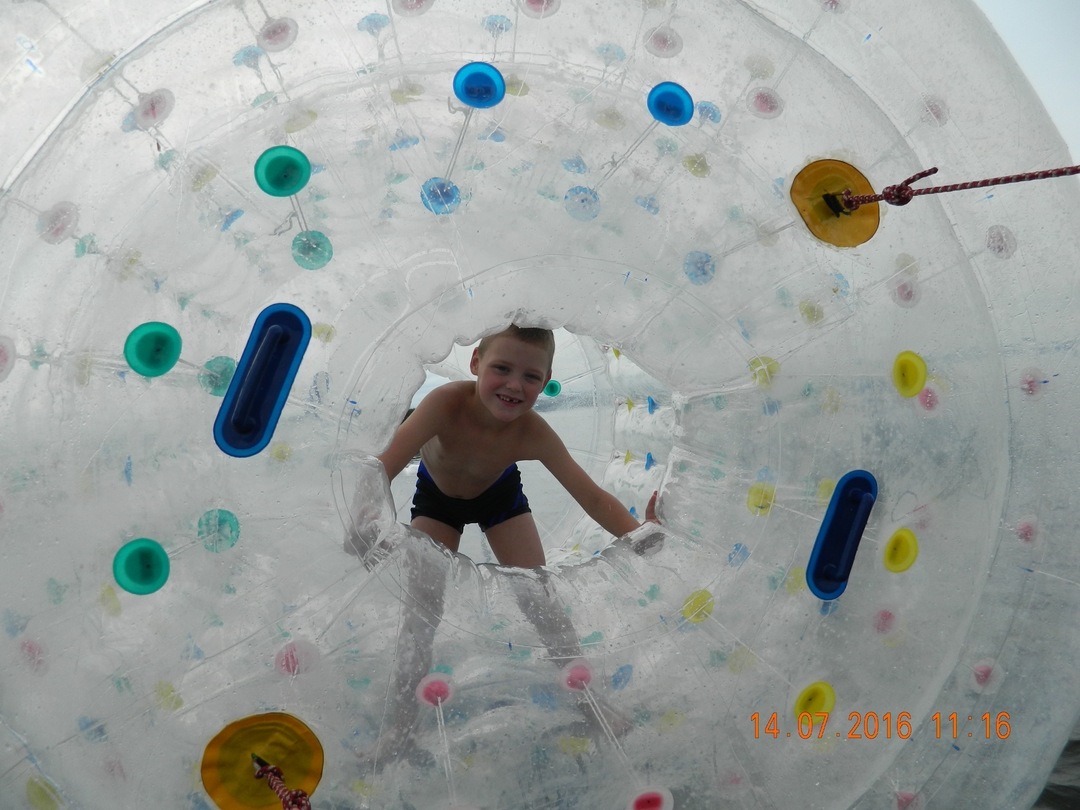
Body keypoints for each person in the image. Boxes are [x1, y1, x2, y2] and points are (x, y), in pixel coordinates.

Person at [347, 324, 661, 771]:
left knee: (542, 602)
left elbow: (591, 497)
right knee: (420, 616)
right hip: (437, 500)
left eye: (531, 376)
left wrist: (638, 534)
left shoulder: (532, 432)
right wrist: (365, 519)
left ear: (546, 381)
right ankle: (398, 729)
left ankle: (592, 706)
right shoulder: (444, 404)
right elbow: (384, 465)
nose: (514, 385)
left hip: (500, 498)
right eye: (502, 368)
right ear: (476, 363)